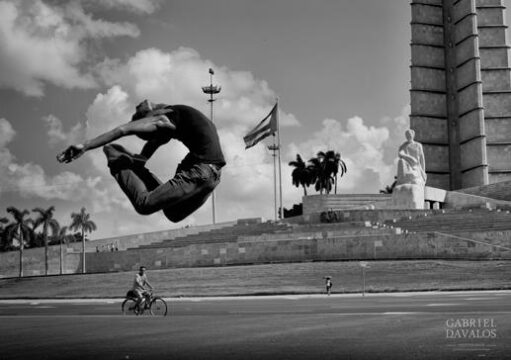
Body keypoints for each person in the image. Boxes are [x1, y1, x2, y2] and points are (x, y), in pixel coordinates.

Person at [57, 100, 225, 222]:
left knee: (149, 205)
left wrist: (86, 146)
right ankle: (130, 163)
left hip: (203, 173)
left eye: (151, 133)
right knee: (172, 213)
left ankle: (117, 158)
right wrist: (141, 160)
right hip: (212, 175)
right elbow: (153, 144)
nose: (154, 137)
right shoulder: (181, 116)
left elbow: (122, 130)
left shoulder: (162, 119)